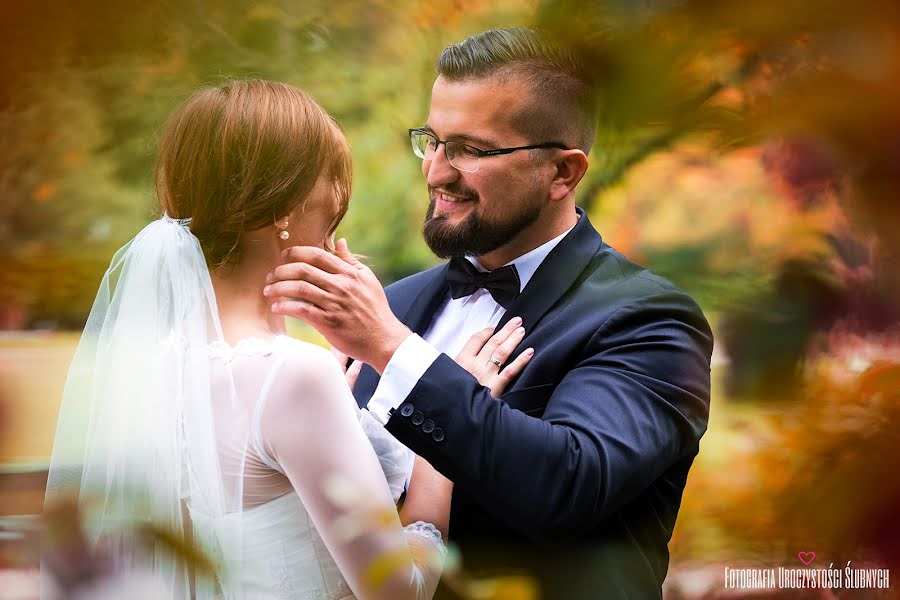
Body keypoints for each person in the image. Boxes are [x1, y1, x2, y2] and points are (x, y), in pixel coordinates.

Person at [265, 29, 714, 598]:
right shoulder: (397, 303)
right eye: (432, 140)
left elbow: (567, 486)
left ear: (563, 173)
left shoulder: (650, 319)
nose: (435, 172)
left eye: (471, 150)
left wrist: (393, 350)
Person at [43, 79, 528, 600]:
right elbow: (399, 592)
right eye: (330, 177)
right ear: (283, 204)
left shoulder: (156, 362)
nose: (340, 195)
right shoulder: (294, 375)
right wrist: (442, 446)